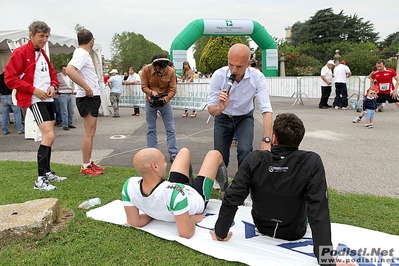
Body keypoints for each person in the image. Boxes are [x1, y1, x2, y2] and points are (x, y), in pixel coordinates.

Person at [210, 113, 335, 265]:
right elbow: (318, 209)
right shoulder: (311, 161)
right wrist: (326, 260)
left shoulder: (254, 158)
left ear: (274, 138)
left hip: (264, 225)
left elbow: (233, 196)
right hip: (293, 231)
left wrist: (220, 232)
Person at [4, 21, 66, 191]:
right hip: (35, 99)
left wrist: (53, 85)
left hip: (48, 99)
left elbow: (52, 74)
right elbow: (10, 79)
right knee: (48, 136)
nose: (44, 40)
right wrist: (33, 90)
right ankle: (40, 179)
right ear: (31, 35)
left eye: (46, 36)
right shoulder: (21, 52)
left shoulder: (43, 54)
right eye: (41, 36)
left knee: (50, 137)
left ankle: (46, 172)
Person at [122, 147, 227, 239]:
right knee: (215, 154)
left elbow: (134, 222)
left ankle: (190, 181)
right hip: (196, 195)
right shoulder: (173, 194)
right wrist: (192, 219)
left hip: (174, 189)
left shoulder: (129, 185)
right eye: (163, 161)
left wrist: (153, 213)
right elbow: (186, 233)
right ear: (155, 166)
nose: (166, 164)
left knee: (184, 151)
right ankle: (225, 190)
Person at [207, 43, 273, 169]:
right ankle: (221, 180)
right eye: (231, 65)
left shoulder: (257, 77)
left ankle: (243, 181)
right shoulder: (218, 76)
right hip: (223, 117)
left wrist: (266, 140)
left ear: (249, 64)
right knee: (220, 155)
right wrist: (220, 108)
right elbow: (211, 110)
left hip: (244, 117)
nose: (233, 70)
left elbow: (267, 109)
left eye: (239, 66)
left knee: (245, 149)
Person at [66, 29, 106, 176]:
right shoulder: (81, 54)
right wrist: (86, 87)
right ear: (91, 40)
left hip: (91, 95)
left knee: (92, 131)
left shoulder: (83, 54)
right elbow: (70, 70)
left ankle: (89, 162)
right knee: (89, 132)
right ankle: (85, 165)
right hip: (87, 96)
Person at [141, 54, 178, 163]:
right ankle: (153, 154)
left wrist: (165, 99)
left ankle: (173, 153)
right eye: (159, 68)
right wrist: (151, 92)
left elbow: (173, 89)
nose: (162, 70)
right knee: (151, 128)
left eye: (164, 68)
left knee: (170, 128)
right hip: (150, 101)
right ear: (154, 65)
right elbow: (144, 86)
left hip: (165, 103)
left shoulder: (171, 71)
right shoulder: (146, 70)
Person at [57, 65, 75, 130]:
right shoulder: (58, 76)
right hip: (62, 94)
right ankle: (65, 124)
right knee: (64, 110)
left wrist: (73, 88)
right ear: (61, 70)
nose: (65, 71)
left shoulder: (69, 76)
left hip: (70, 93)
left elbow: (73, 83)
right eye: (64, 69)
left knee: (71, 110)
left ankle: (70, 123)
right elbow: (55, 83)